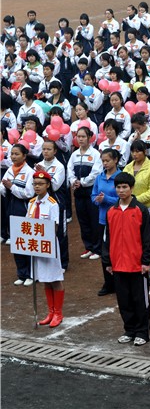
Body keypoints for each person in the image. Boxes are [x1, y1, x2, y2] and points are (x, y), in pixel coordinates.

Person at [102, 172, 150, 346]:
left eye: (124, 187)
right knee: (123, 300)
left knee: (140, 300)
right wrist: (108, 262)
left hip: (137, 265)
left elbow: (149, 238)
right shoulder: (111, 211)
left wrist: (146, 261)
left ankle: (142, 332)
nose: (121, 190)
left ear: (131, 188)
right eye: (118, 187)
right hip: (118, 265)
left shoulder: (141, 210)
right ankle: (130, 330)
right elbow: (107, 238)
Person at [123, 140, 150, 286]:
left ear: (144, 152)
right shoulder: (128, 167)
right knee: (136, 238)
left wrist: (134, 200)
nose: (135, 154)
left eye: (138, 151)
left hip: (148, 208)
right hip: (133, 209)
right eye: (133, 151)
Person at [28, 170, 65, 327]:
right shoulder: (31, 203)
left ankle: (58, 313)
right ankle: (50, 312)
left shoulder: (52, 203)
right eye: (35, 184)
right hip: (35, 246)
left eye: (41, 184)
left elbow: (55, 226)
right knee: (44, 279)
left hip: (48, 245)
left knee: (55, 279)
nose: (37, 187)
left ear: (48, 185)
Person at [67, 127, 102, 261]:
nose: (80, 139)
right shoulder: (74, 154)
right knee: (83, 220)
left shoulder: (95, 154)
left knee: (94, 220)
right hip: (78, 191)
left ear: (89, 138)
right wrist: (73, 181)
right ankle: (89, 247)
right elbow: (69, 169)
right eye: (78, 136)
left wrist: (82, 182)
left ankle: (97, 248)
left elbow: (96, 173)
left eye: (83, 136)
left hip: (91, 191)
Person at [2, 145, 35, 285]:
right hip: (11, 208)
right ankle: (21, 273)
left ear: (24, 156)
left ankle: (31, 274)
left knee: (27, 241)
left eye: (17, 154)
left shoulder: (30, 172)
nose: (14, 157)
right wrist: (4, 187)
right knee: (17, 242)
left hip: (24, 209)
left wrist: (11, 187)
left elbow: (28, 193)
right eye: (12, 154)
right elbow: (3, 188)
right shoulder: (10, 170)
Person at [91, 149, 121, 296]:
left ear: (115, 160)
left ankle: (119, 281)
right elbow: (93, 195)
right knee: (105, 252)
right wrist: (97, 200)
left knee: (119, 250)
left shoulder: (121, 177)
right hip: (104, 220)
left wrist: (106, 199)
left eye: (107, 160)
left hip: (118, 220)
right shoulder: (100, 177)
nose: (105, 163)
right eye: (103, 161)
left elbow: (123, 199)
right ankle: (108, 283)